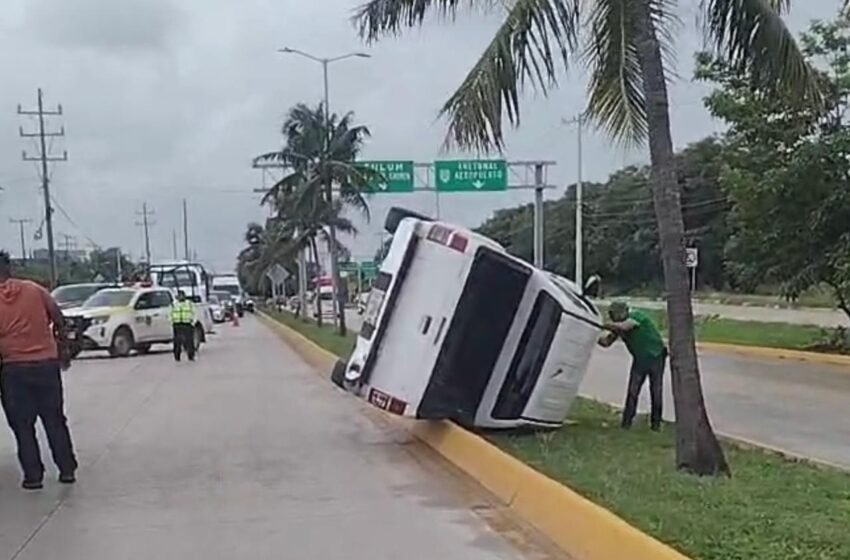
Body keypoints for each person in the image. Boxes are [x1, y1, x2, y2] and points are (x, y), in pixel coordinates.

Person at [0, 250, 78, 489]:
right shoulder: (35, 290)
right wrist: (61, 347)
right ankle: (66, 470)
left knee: (23, 426)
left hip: (13, 370)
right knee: (54, 419)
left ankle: (33, 476)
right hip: (46, 365)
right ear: (9, 268)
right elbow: (58, 317)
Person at [597, 301, 667, 431]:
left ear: (622, 312)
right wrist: (593, 333)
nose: (612, 317)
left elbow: (625, 327)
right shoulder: (618, 328)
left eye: (614, 314)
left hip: (656, 357)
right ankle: (626, 423)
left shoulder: (636, 316)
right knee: (632, 392)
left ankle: (656, 424)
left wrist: (604, 325)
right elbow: (606, 342)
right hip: (640, 360)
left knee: (656, 391)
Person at [171, 291, 196, 362]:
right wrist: (172, 322)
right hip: (177, 324)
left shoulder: (189, 304)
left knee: (189, 341)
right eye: (179, 295)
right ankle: (177, 356)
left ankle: (191, 356)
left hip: (187, 324)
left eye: (182, 295)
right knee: (177, 342)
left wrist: (193, 323)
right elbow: (169, 314)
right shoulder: (174, 304)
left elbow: (195, 313)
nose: (181, 297)